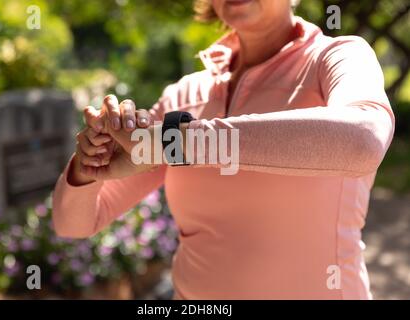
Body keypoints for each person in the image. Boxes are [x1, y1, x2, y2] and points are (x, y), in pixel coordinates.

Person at [52, 0, 395, 299]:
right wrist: (90, 163)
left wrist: (181, 142)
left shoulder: (336, 57)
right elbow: (74, 223)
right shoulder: (184, 94)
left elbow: (363, 141)